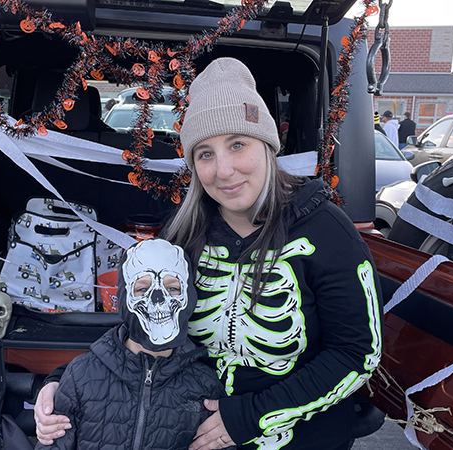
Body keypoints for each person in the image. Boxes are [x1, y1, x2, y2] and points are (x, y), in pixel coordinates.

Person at [35, 57, 383, 450]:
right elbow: (141, 328)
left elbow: (357, 354)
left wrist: (250, 417)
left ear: (268, 146)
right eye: (205, 154)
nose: (224, 170)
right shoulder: (183, 234)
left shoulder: (325, 230)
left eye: (238, 144)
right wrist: (64, 381)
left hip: (304, 438)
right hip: (194, 434)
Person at [35, 238, 229, 450]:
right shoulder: (82, 374)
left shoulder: (205, 384)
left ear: (188, 296)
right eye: (142, 289)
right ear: (125, 297)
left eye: (172, 288)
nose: (157, 299)